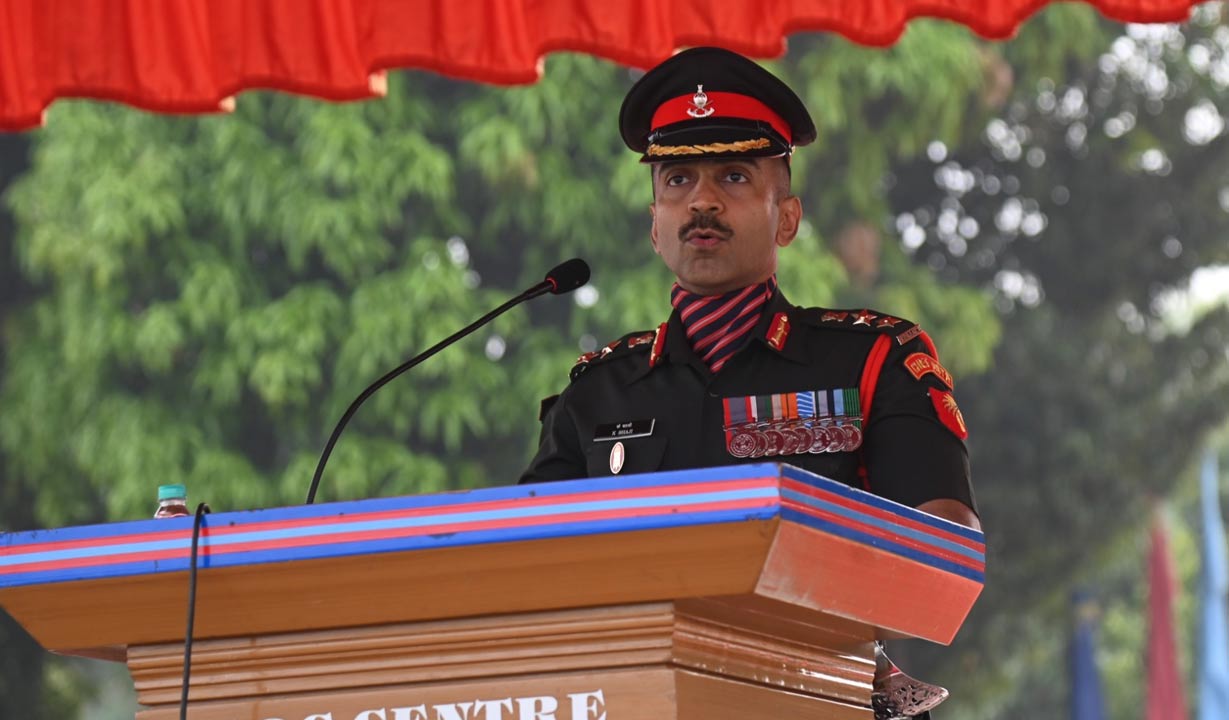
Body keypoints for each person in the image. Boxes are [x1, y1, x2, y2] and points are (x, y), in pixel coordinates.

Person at [518, 46, 979, 533]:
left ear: (787, 219)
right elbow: (522, 558)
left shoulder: (873, 364)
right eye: (678, 179)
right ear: (655, 227)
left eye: (734, 176)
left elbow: (946, 545)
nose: (702, 201)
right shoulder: (595, 394)